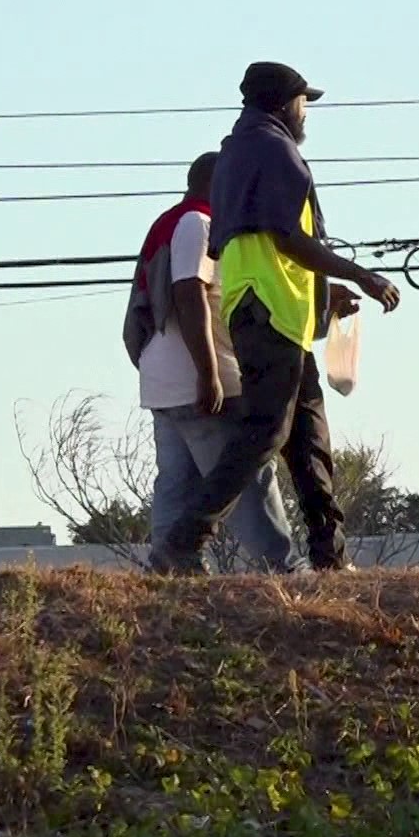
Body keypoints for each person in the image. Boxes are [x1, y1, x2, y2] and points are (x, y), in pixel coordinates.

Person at [151, 62, 401, 575]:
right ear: (284, 103)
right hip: (272, 311)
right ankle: (182, 542)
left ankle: (331, 554)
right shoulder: (275, 150)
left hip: (264, 309)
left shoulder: (236, 153)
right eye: (303, 101)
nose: (306, 111)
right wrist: (363, 276)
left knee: (309, 439)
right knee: (265, 433)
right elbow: (287, 237)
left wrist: (324, 296)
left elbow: (261, 241)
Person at [129, 153, 299, 574]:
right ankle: (282, 567)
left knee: (179, 482)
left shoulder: (170, 222)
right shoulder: (198, 223)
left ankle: (170, 569)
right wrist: (209, 374)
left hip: (165, 379)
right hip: (199, 379)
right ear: (218, 184)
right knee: (243, 478)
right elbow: (190, 294)